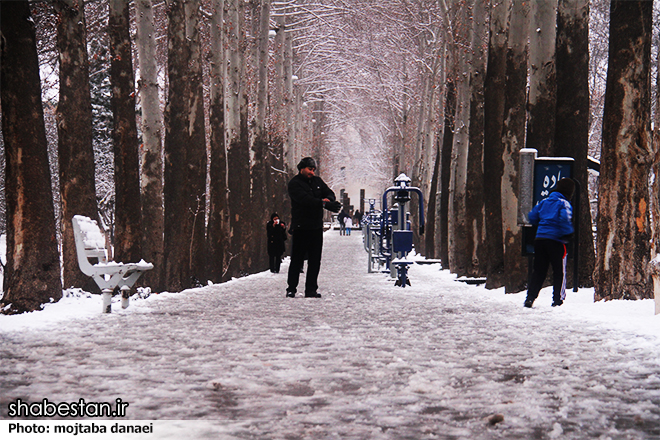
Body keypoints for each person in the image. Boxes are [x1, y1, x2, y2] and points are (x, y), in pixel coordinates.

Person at [286, 157, 341, 298]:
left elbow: (329, 193)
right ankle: (291, 288)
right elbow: (305, 200)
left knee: (315, 259)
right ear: (302, 169)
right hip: (301, 226)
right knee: (297, 259)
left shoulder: (317, 182)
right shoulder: (294, 184)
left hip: (316, 227)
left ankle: (311, 289)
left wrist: (329, 200)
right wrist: (323, 204)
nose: (312, 172)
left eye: (313, 170)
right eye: (310, 169)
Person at [524, 178, 575, 308]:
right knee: (558, 271)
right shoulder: (564, 203)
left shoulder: (544, 202)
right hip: (556, 241)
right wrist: (568, 234)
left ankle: (530, 298)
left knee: (539, 271)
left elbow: (532, 216)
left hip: (540, 239)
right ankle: (557, 299)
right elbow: (565, 220)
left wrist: (543, 225)